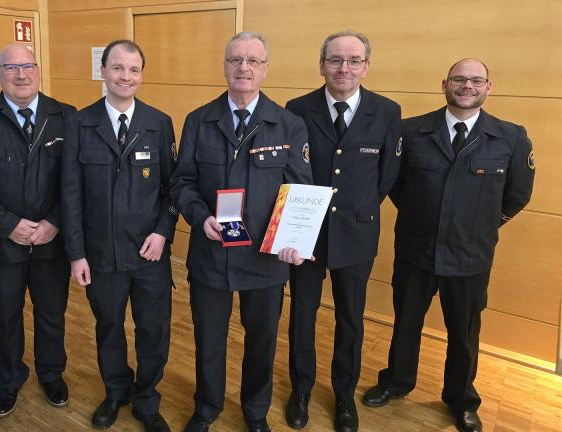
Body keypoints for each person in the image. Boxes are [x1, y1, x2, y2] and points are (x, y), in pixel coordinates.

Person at [361, 58, 535, 432]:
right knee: (406, 323)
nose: (466, 85)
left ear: (488, 86)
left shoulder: (510, 137)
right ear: (444, 84)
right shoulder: (411, 131)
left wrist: (485, 225)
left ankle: (461, 399)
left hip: (470, 256)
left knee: (464, 332)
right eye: (459, 79)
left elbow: (518, 194)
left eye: (475, 80)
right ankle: (396, 381)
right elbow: (395, 184)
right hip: (416, 249)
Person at [171, 32, 313, 432]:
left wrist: (294, 242)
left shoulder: (289, 124)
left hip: (265, 262)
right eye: (235, 59)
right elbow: (182, 183)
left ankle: (255, 411)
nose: (243, 67)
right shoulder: (199, 120)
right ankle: (207, 407)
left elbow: (299, 192)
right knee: (209, 341)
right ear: (225, 66)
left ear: (266, 68)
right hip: (211, 256)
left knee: (261, 344)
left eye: (253, 60)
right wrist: (200, 218)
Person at [283, 30, 402, 432]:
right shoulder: (297, 109)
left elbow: (387, 176)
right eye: (335, 59)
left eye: (353, 60)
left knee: (351, 319)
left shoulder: (387, 111)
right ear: (322, 65)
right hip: (306, 234)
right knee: (302, 313)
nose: (343, 68)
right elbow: (290, 171)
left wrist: (356, 209)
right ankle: (300, 389)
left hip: (357, 234)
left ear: (366, 66)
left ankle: (344, 395)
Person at [0, 44, 76, 418]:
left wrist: (54, 222)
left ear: (38, 70)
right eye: (11, 67)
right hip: (0, 243)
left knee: (52, 315)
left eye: (27, 66)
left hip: (51, 243)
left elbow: (75, 182)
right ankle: (8, 380)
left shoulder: (66, 117)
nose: (21, 75)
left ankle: (52, 374)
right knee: (6, 318)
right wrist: (9, 225)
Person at [62, 39, 177, 432]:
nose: (125, 77)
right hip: (101, 255)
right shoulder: (79, 123)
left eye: (133, 69)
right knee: (108, 326)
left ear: (141, 75)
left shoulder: (159, 123)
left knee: (153, 330)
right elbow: (70, 195)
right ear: (103, 71)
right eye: (117, 68)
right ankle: (115, 392)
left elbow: (171, 190)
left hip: (149, 254)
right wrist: (76, 254)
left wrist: (163, 233)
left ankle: (146, 398)